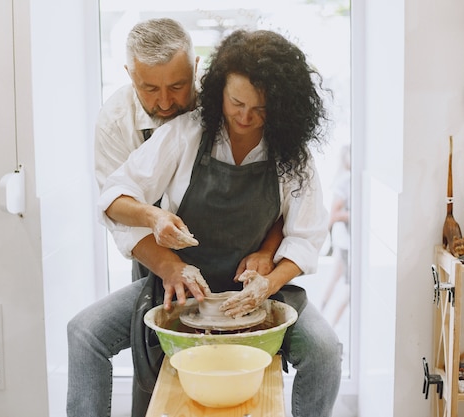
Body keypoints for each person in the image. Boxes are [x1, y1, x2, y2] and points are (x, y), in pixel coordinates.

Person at [72, 28, 342, 416]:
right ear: (218, 91)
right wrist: (156, 216)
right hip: (179, 287)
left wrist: (268, 281)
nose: (246, 117)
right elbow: (113, 196)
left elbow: (306, 235)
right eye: (236, 103)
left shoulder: (291, 154)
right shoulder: (187, 133)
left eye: (260, 108)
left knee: (326, 352)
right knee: (83, 332)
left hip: (257, 292)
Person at [94, 18, 283, 282]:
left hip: (248, 268)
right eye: (149, 89)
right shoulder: (115, 123)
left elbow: (286, 196)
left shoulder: (229, 99)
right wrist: (168, 263)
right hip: (156, 261)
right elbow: (119, 212)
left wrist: (266, 252)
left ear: (195, 68)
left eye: (177, 86)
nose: (165, 101)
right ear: (130, 74)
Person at [321, 144, 351, 327]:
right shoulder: (346, 180)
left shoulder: (345, 178)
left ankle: (320, 318)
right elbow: (334, 214)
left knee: (334, 278)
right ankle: (329, 327)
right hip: (346, 242)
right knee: (351, 288)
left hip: (342, 241)